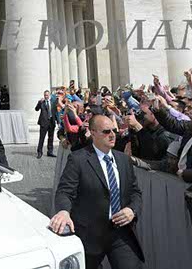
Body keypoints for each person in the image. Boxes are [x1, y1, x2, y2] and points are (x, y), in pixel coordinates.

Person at [50, 114, 144, 269]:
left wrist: (132, 210)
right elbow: (65, 191)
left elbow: (135, 192)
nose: (112, 135)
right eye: (106, 131)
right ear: (93, 133)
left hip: (121, 233)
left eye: (114, 130)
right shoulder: (78, 159)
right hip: (89, 234)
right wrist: (64, 211)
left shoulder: (124, 160)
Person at [35, 90, 55, 158]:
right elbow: (36, 109)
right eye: (45, 95)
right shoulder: (42, 102)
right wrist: (39, 103)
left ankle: (50, 151)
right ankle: (39, 152)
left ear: (49, 95)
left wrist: (57, 120)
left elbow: (55, 111)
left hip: (51, 122)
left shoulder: (53, 102)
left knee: (51, 138)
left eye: (47, 95)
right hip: (43, 122)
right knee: (42, 138)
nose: (46, 96)